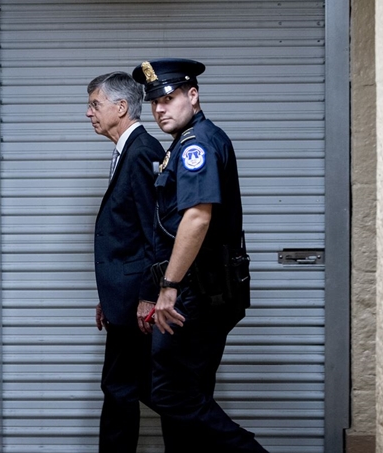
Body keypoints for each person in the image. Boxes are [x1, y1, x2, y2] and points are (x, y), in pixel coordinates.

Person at [132, 59, 270, 453]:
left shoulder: (198, 144)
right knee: (186, 395)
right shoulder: (189, 140)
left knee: (173, 395)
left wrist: (169, 287)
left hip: (197, 292)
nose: (160, 108)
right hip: (203, 289)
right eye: (154, 101)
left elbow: (196, 217)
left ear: (193, 96)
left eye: (170, 98)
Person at [86, 71, 167, 453]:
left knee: (124, 389)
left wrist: (148, 296)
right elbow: (129, 236)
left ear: (121, 108)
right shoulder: (129, 151)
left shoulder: (141, 153)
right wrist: (111, 295)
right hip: (126, 298)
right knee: (137, 388)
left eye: (95, 104)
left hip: (139, 301)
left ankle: (218, 437)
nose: (89, 113)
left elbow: (156, 234)